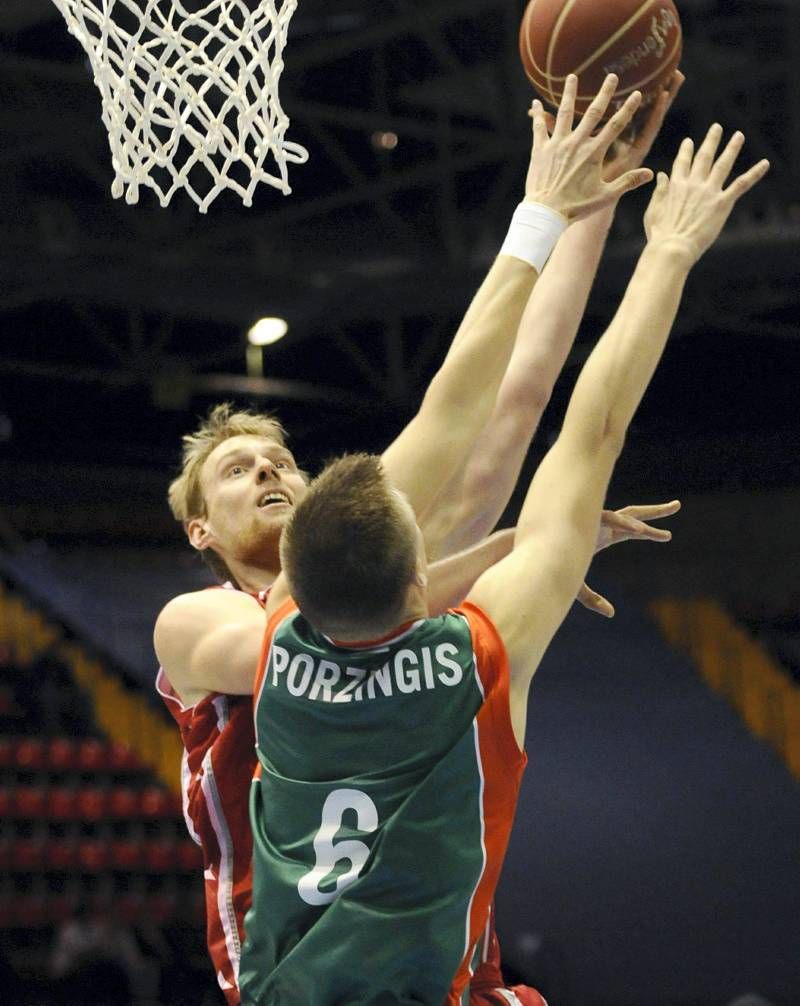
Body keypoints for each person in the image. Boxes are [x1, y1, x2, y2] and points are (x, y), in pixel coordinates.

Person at [156, 73, 669, 1005]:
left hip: (435, 956)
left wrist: (593, 198)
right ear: (199, 528)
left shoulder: (368, 584)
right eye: (236, 471)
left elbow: (513, 402)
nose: (267, 473)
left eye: (279, 461)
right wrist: (524, 551)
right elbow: (332, 612)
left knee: (509, 425)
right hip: (292, 971)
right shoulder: (194, 624)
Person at [235, 117, 769, 1003]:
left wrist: (660, 250)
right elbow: (468, 411)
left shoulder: (282, 632)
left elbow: (572, 431)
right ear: (422, 581)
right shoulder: (468, 659)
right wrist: (634, 234)